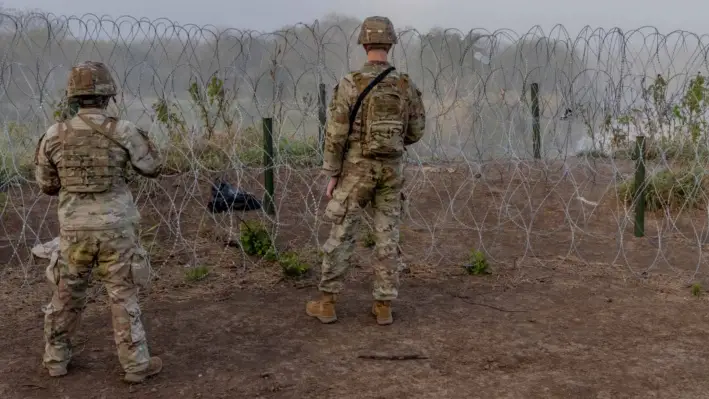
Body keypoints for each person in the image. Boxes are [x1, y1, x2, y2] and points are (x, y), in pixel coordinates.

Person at [34, 61, 163, 383]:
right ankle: (135, 365)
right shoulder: (124, 131)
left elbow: (47, 185)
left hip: (75, 230)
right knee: (122, 295)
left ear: (72, 97)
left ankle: (56, 360)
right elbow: (151, 167)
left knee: (66, 295)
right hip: (116, 227)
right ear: (109, 96)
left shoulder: (53, 135)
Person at [306, 16, 426, 326]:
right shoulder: (404, 84)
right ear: (390, 43)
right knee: (387, 236)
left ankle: (328, 302)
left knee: (343, 232)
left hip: (357, 171)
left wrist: (333, 173)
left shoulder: (350, 83)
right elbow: (416, 131)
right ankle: (383, 305)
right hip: (391, 171)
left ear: (364, 42)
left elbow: (335, 134)